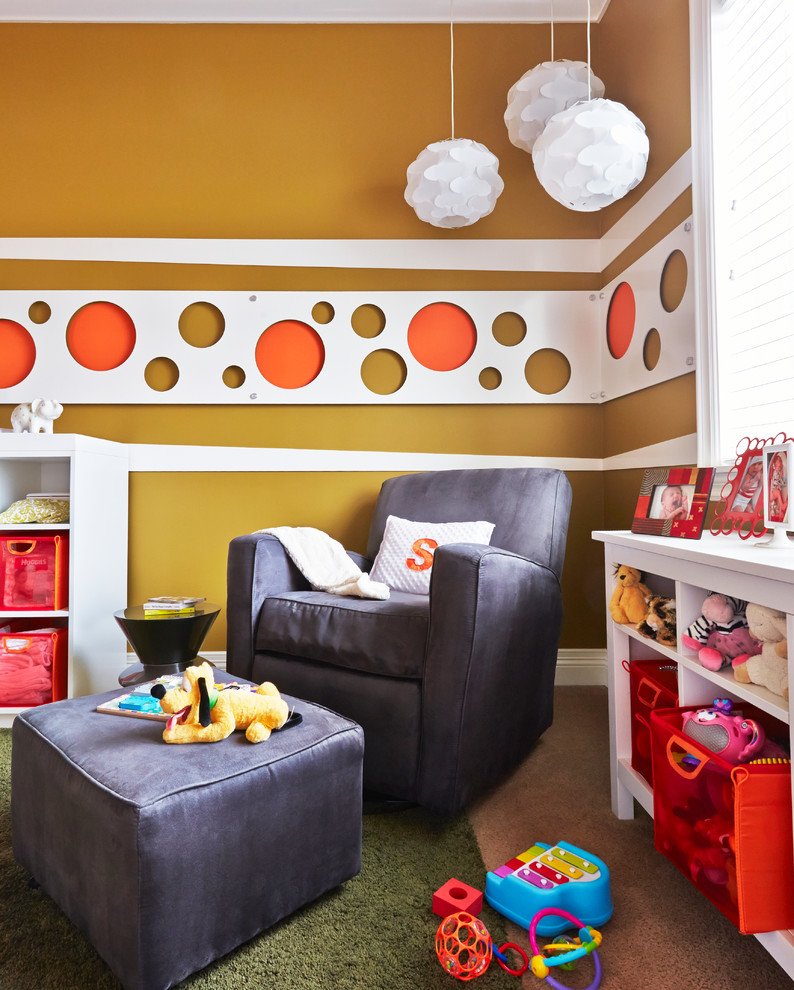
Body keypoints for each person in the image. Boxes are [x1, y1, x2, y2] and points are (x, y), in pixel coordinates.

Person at [768, 452, 788, 523]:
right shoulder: (776, 472)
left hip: (776, 489)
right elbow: (777, 482)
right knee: (779, 494)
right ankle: (782, 506)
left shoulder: (778, 471)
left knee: (779, 496)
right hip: (776, 489)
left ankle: (781, 509)